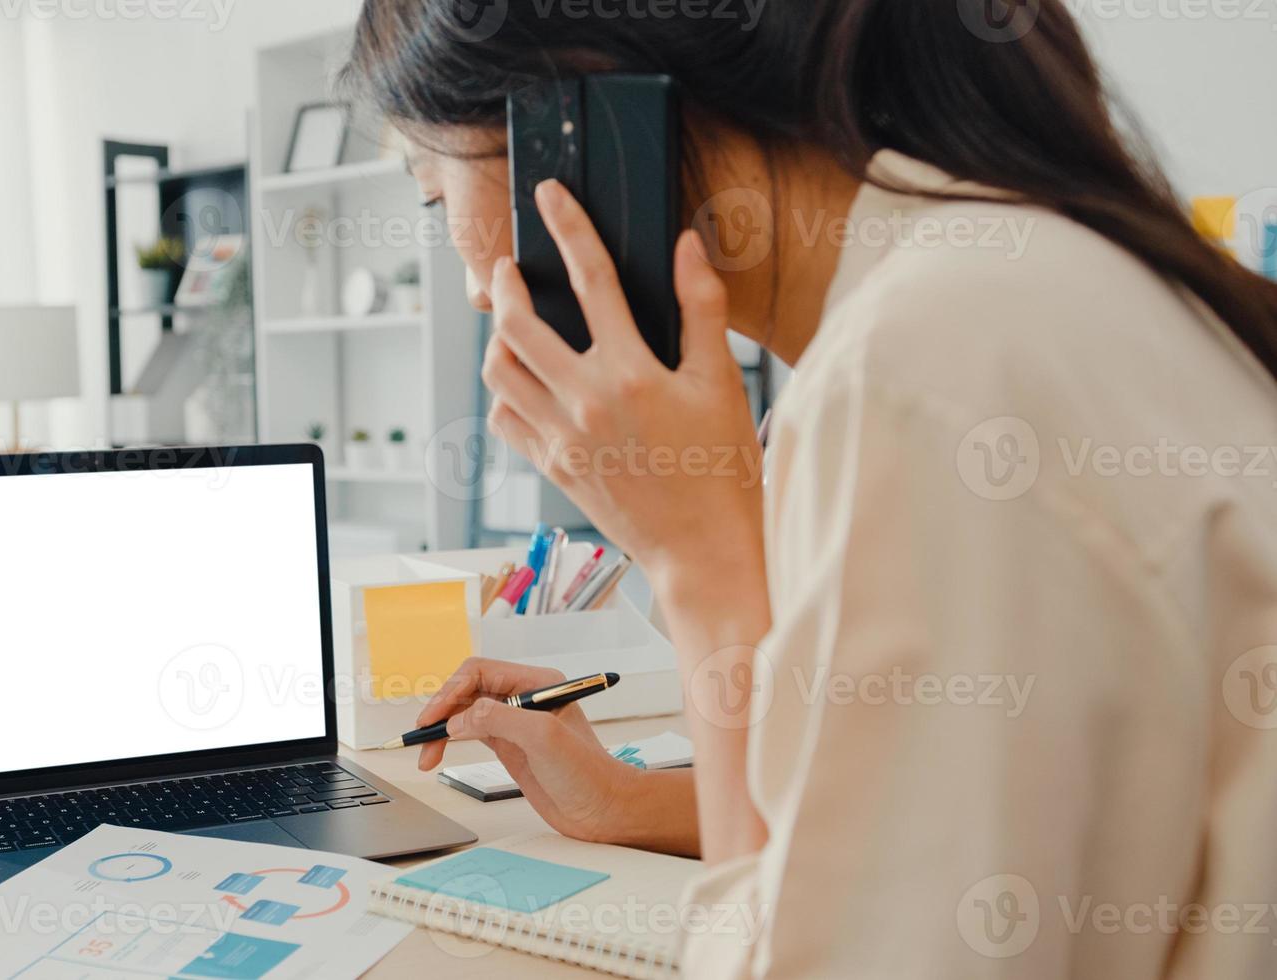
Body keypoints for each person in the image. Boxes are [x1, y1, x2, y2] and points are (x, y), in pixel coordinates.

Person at [341, 2, 1277, 976]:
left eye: (428, 193)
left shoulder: (925, 367)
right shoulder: (1016, 286)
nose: (473, 289)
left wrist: (698, 561)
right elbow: (921, 814)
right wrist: (627, 798)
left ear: (571, 112)